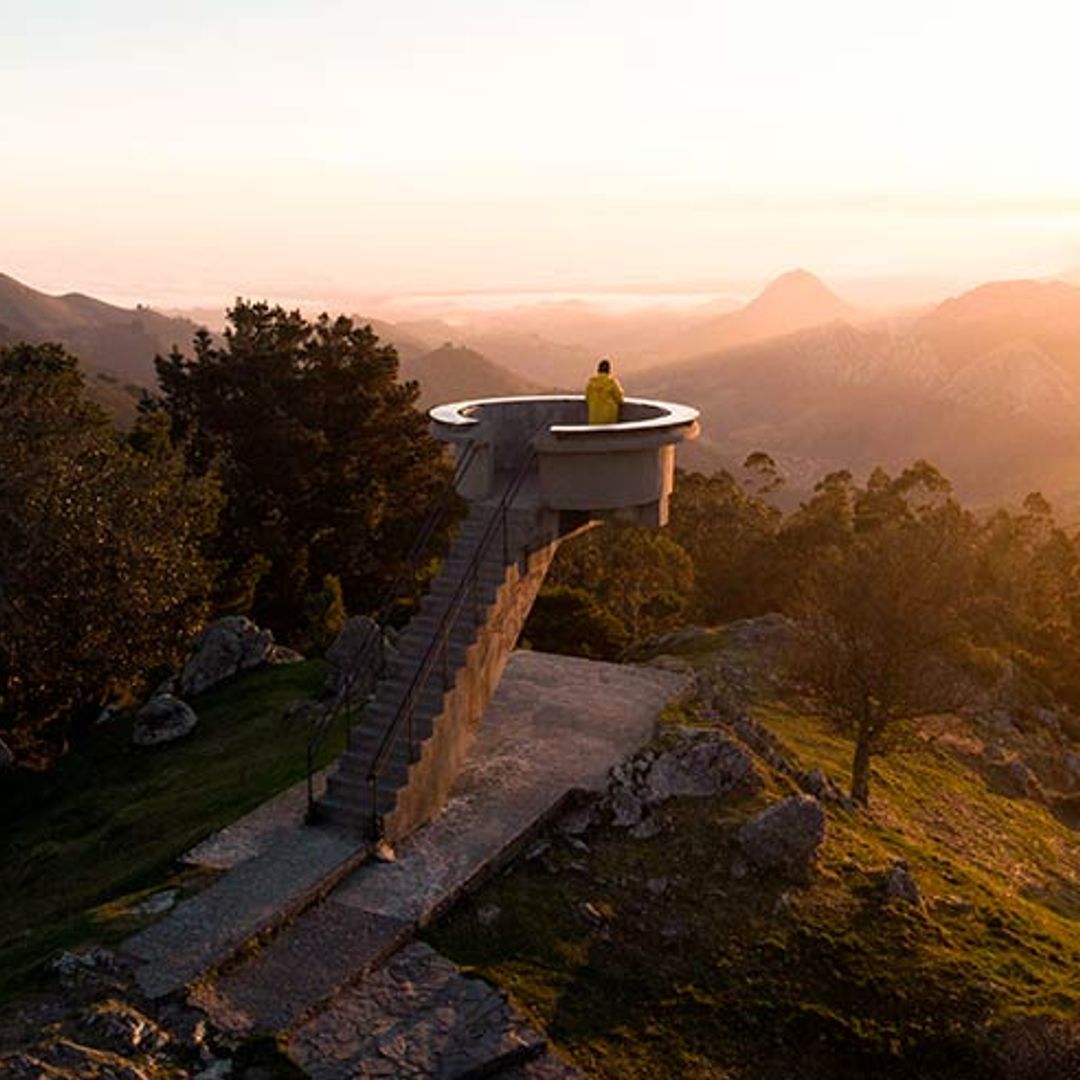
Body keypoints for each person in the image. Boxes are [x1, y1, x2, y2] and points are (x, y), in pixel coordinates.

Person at [585, 358, 625, 425]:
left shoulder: (591, 383)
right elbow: (620, 399)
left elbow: (587, 398)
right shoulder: (611, 382)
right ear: (608, 370)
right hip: (609, 419)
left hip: (594, 418)